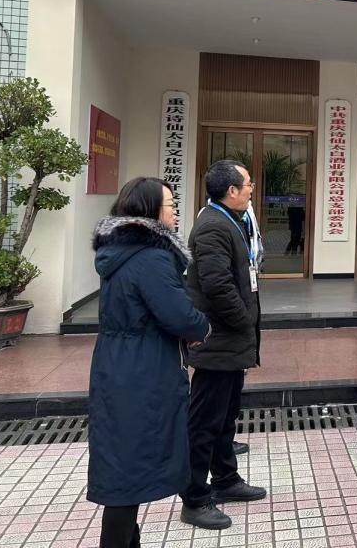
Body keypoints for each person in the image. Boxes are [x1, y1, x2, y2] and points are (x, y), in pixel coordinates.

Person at [88, 178, 210, 548]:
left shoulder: (120, 251)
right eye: (170, 205)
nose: (175, 211)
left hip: (118, 365)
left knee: (124, 466)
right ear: (149, 211)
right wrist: (201, 326)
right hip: (142, 371)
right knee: (127, 476)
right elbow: (179, 315)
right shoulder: (151, 258)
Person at [180, 160, 266, 530]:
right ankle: (195, 498)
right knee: (204, 423)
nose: (251, 189)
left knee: (225, 416)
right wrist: (244, 321)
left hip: (230, 340)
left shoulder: (231, 219)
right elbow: (217, 285)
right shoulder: (213, 225)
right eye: (247, 184)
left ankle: (226, 479)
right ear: (231, 190)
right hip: (219, 339)